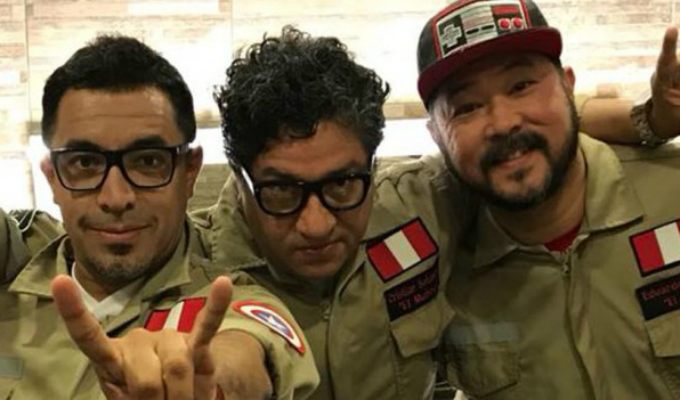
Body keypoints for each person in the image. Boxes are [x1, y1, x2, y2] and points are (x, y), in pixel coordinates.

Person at [0, 35, 318, 400]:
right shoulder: (11, 283)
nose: (116, 198)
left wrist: (203, 385)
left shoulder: (228, 301)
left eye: (148, 161)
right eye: (85, 163)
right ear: (52, 178)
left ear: (189, 172)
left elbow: (243, 353)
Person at [415, 0, 680, 398]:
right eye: (466, 107)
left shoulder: (672, 191)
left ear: (568, 86)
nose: (503, 123)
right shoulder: (440, 260)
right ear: (436, 135)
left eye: (521, 86)